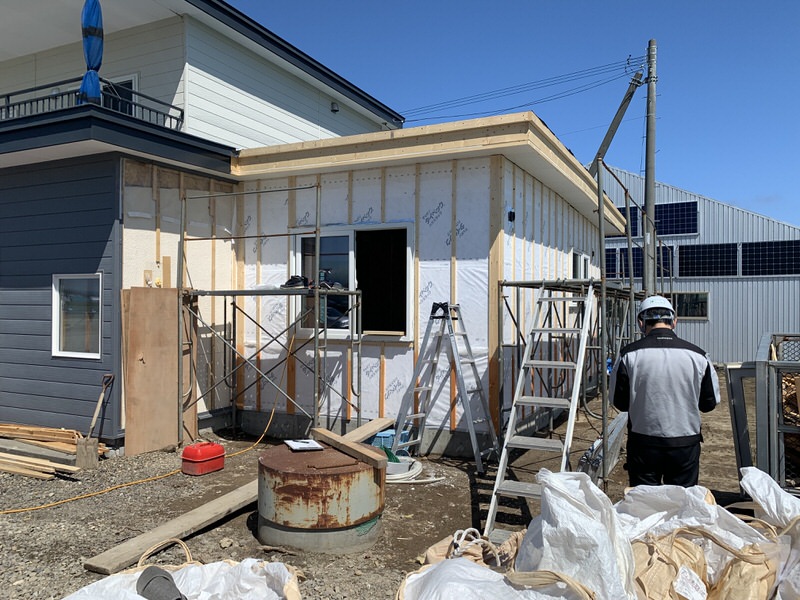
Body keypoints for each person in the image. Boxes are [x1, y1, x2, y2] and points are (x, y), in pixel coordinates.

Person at [609, 295, 720, 487]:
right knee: (682, 499)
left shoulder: (628, 355)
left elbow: (620, 402)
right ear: (674, 321)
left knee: (644, 499)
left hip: (643, 442)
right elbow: (708, 404)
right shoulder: (698, 356)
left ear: (641, 323)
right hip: (685, 443)